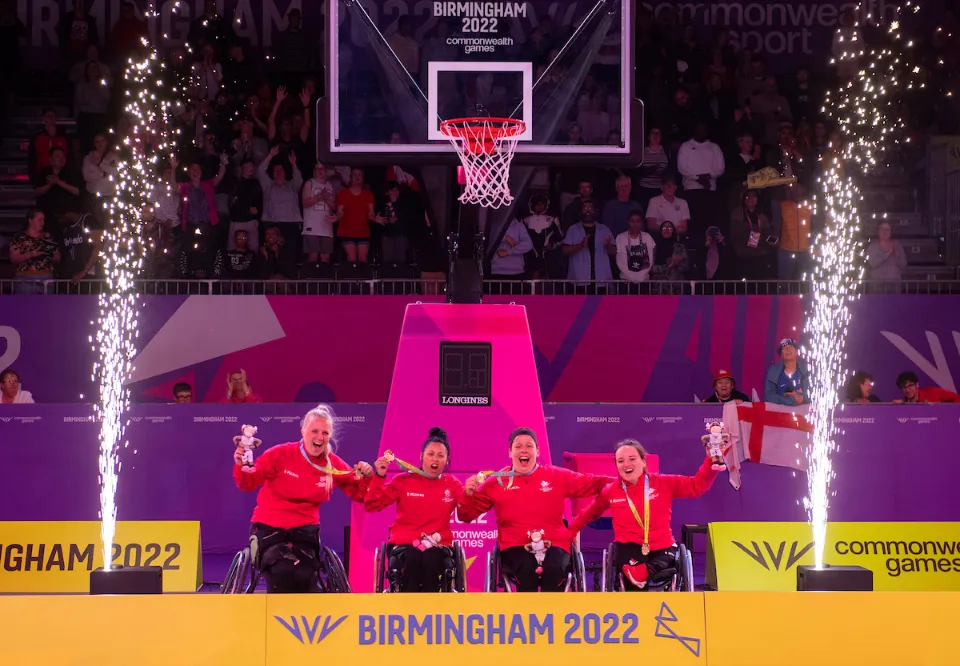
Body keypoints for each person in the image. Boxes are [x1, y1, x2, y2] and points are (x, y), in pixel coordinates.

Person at [232, 404, 374, 593]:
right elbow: (247, 483)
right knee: (282, 571)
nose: (319, 437)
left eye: (324, 433)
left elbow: (359, 493)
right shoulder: (280, 454)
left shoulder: (332, 464)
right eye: (315, 431)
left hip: (304, 533)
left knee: (305, 575)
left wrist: (367, 476)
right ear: (303, 431)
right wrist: (240, 466)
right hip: (269, 528)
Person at [457, 427, 610, 592]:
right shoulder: (496, 483)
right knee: (526, 570)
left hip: (555, 543)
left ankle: (554, 609)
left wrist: (624, 482)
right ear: (510, 453)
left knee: (554, 570)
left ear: (537, 451)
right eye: (518, 446)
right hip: (514, 545)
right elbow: (466, 515)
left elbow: (592, 483)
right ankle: (526, 610)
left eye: (529, 446)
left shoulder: (556, 476)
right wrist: (467, 495)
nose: (524, 450)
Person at [567, 440, 716, 590]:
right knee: (629, 571)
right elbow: (590, 512)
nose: (626, 464)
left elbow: (696, 486)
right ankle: (639, 582)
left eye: (632, 459)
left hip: (662, 544)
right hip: (629, 546)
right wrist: (570, 532)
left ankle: (645, 571)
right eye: (620, 461)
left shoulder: (663, 483)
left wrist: (710, 462)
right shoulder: (611, 490)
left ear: (643, 462)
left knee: (668, 558)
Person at [364, 427, 464, 592]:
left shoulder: (452, 485)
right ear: (421, 456)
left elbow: (468, 512)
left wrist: (470, 493)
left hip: (438, 546)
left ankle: (431, 605)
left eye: (440, 455)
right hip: (404, 545)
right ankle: (409, 606)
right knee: (413, 557)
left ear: (447, 461)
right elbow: (372, 504)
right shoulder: (403, 481)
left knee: (432, 559)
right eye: (430, 454)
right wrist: (379, 476)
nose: (435, 459)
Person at [764, 338, 810, 405]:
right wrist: (787, 399)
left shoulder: (807, 370)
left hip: (802, 410)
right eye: (784, 348)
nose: (788, 349)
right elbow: (768, 396)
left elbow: (813, 393)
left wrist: (802, 398)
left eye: (791, 347)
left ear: (796, 352)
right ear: (781, 355)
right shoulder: (773, 371)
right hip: (779, 410)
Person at [893, 371, 960, 404]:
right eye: (904, 387)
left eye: (910, 385)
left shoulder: (932, 392)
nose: (907, 390)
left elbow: (956, 397)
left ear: (917, 385)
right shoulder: (904, 403)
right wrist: (899, 407)